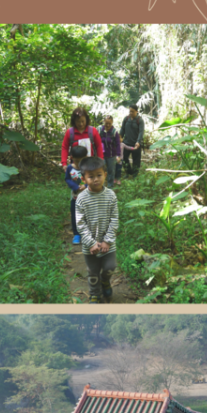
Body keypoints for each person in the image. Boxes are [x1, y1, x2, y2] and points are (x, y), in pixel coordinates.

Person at [75, 156, 119, 304]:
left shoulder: (111, 195)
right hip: (90, 247)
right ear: (83, 178)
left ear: (105, 175)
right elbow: (80, 224)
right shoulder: (81, 199)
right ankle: (94, 293)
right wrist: (91, 243)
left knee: (110, 267)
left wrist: (107, 241)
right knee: (93, 271)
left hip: (109, 244)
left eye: (99, 175)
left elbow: (114, 219)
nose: (96, 179)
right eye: (91, 176)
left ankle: (105, 281)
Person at [65, 144, 89, 245]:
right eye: (77, 161)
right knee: (75, 216)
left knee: (88, 215)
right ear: (72, 158)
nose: (79, 163)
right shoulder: (70, 168)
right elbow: (67, 179)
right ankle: (76, 234)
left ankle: (87, 234)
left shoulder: (88, 167)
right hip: (75, 197)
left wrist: (86, 185)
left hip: (88, 197)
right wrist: (75, 187)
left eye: (81, 161)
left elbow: (92, 178)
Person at [120, 105, 145, 177]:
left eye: (132, 111)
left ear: (137, 111)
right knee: (124, 158)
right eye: (130, 111)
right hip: (126, 143)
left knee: (136, 160)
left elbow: (141, 132)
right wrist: (120, 137)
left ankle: (135, 174)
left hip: (135, 144)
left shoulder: (139, 120)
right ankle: (128, 172)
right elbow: (122, 129)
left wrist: (138, 142)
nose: (131, 113)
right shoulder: (126, 119)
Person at [99, 115, 122, 189]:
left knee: (111, 171)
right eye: (106, 123)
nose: (108, 125)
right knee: (100, 170)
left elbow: (118, 144)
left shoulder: (114, 132)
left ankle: (110, 186)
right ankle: (100, 186)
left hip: (112, 155)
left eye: (109, 123)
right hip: (101, 155)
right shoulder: (100, 130)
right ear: (104, 122)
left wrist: (118, 155)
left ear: (112, 122)